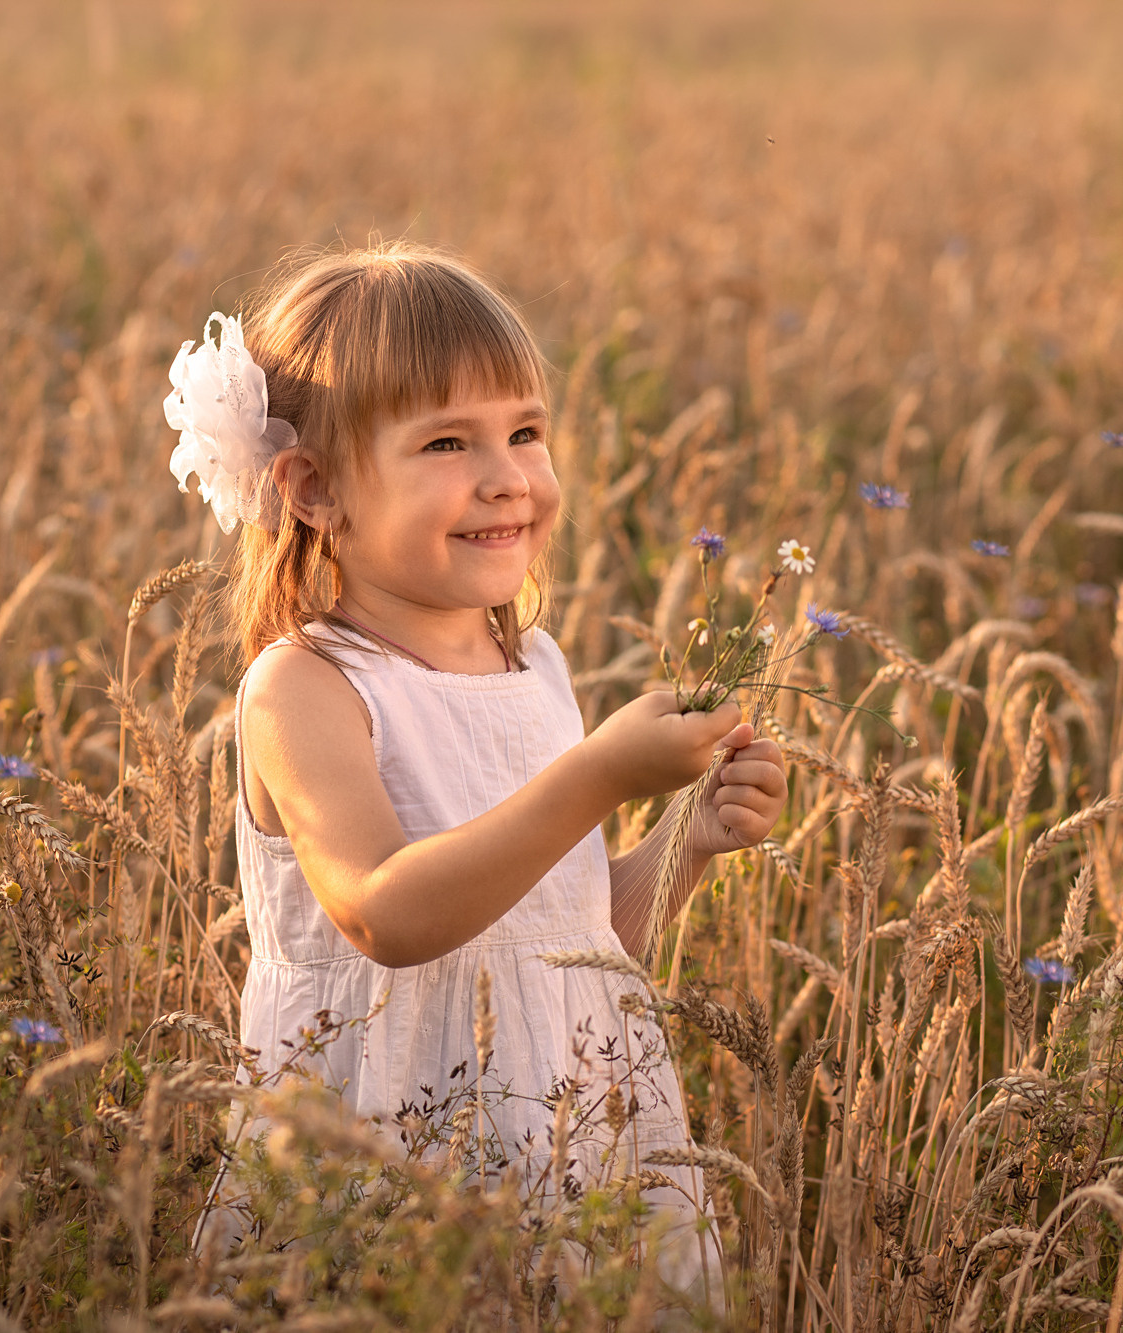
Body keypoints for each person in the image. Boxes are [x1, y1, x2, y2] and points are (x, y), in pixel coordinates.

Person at [172, 240, 787, 1313]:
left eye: (525, 432)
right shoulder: (305, 687)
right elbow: (385, 914)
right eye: (447, 441)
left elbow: (567, 945)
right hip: (382, 1151)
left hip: (558, 1143)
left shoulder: (533, 665)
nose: (506, 475)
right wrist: (597, 776)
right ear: (313, 488)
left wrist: (678, 846)